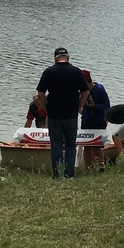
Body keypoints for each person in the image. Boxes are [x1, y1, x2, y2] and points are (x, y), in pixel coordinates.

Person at [36, 47, 90, 180]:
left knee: (56, 146)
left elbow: (40, 93)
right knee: (71, 145)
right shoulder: (76, 71)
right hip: (71, 115)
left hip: (54, 115)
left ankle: (57, 175)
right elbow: (85, 91)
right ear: (68, 57)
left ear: (55, 58)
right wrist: (79, 107)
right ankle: (69, 175)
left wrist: (45, 108)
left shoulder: (49, 71)